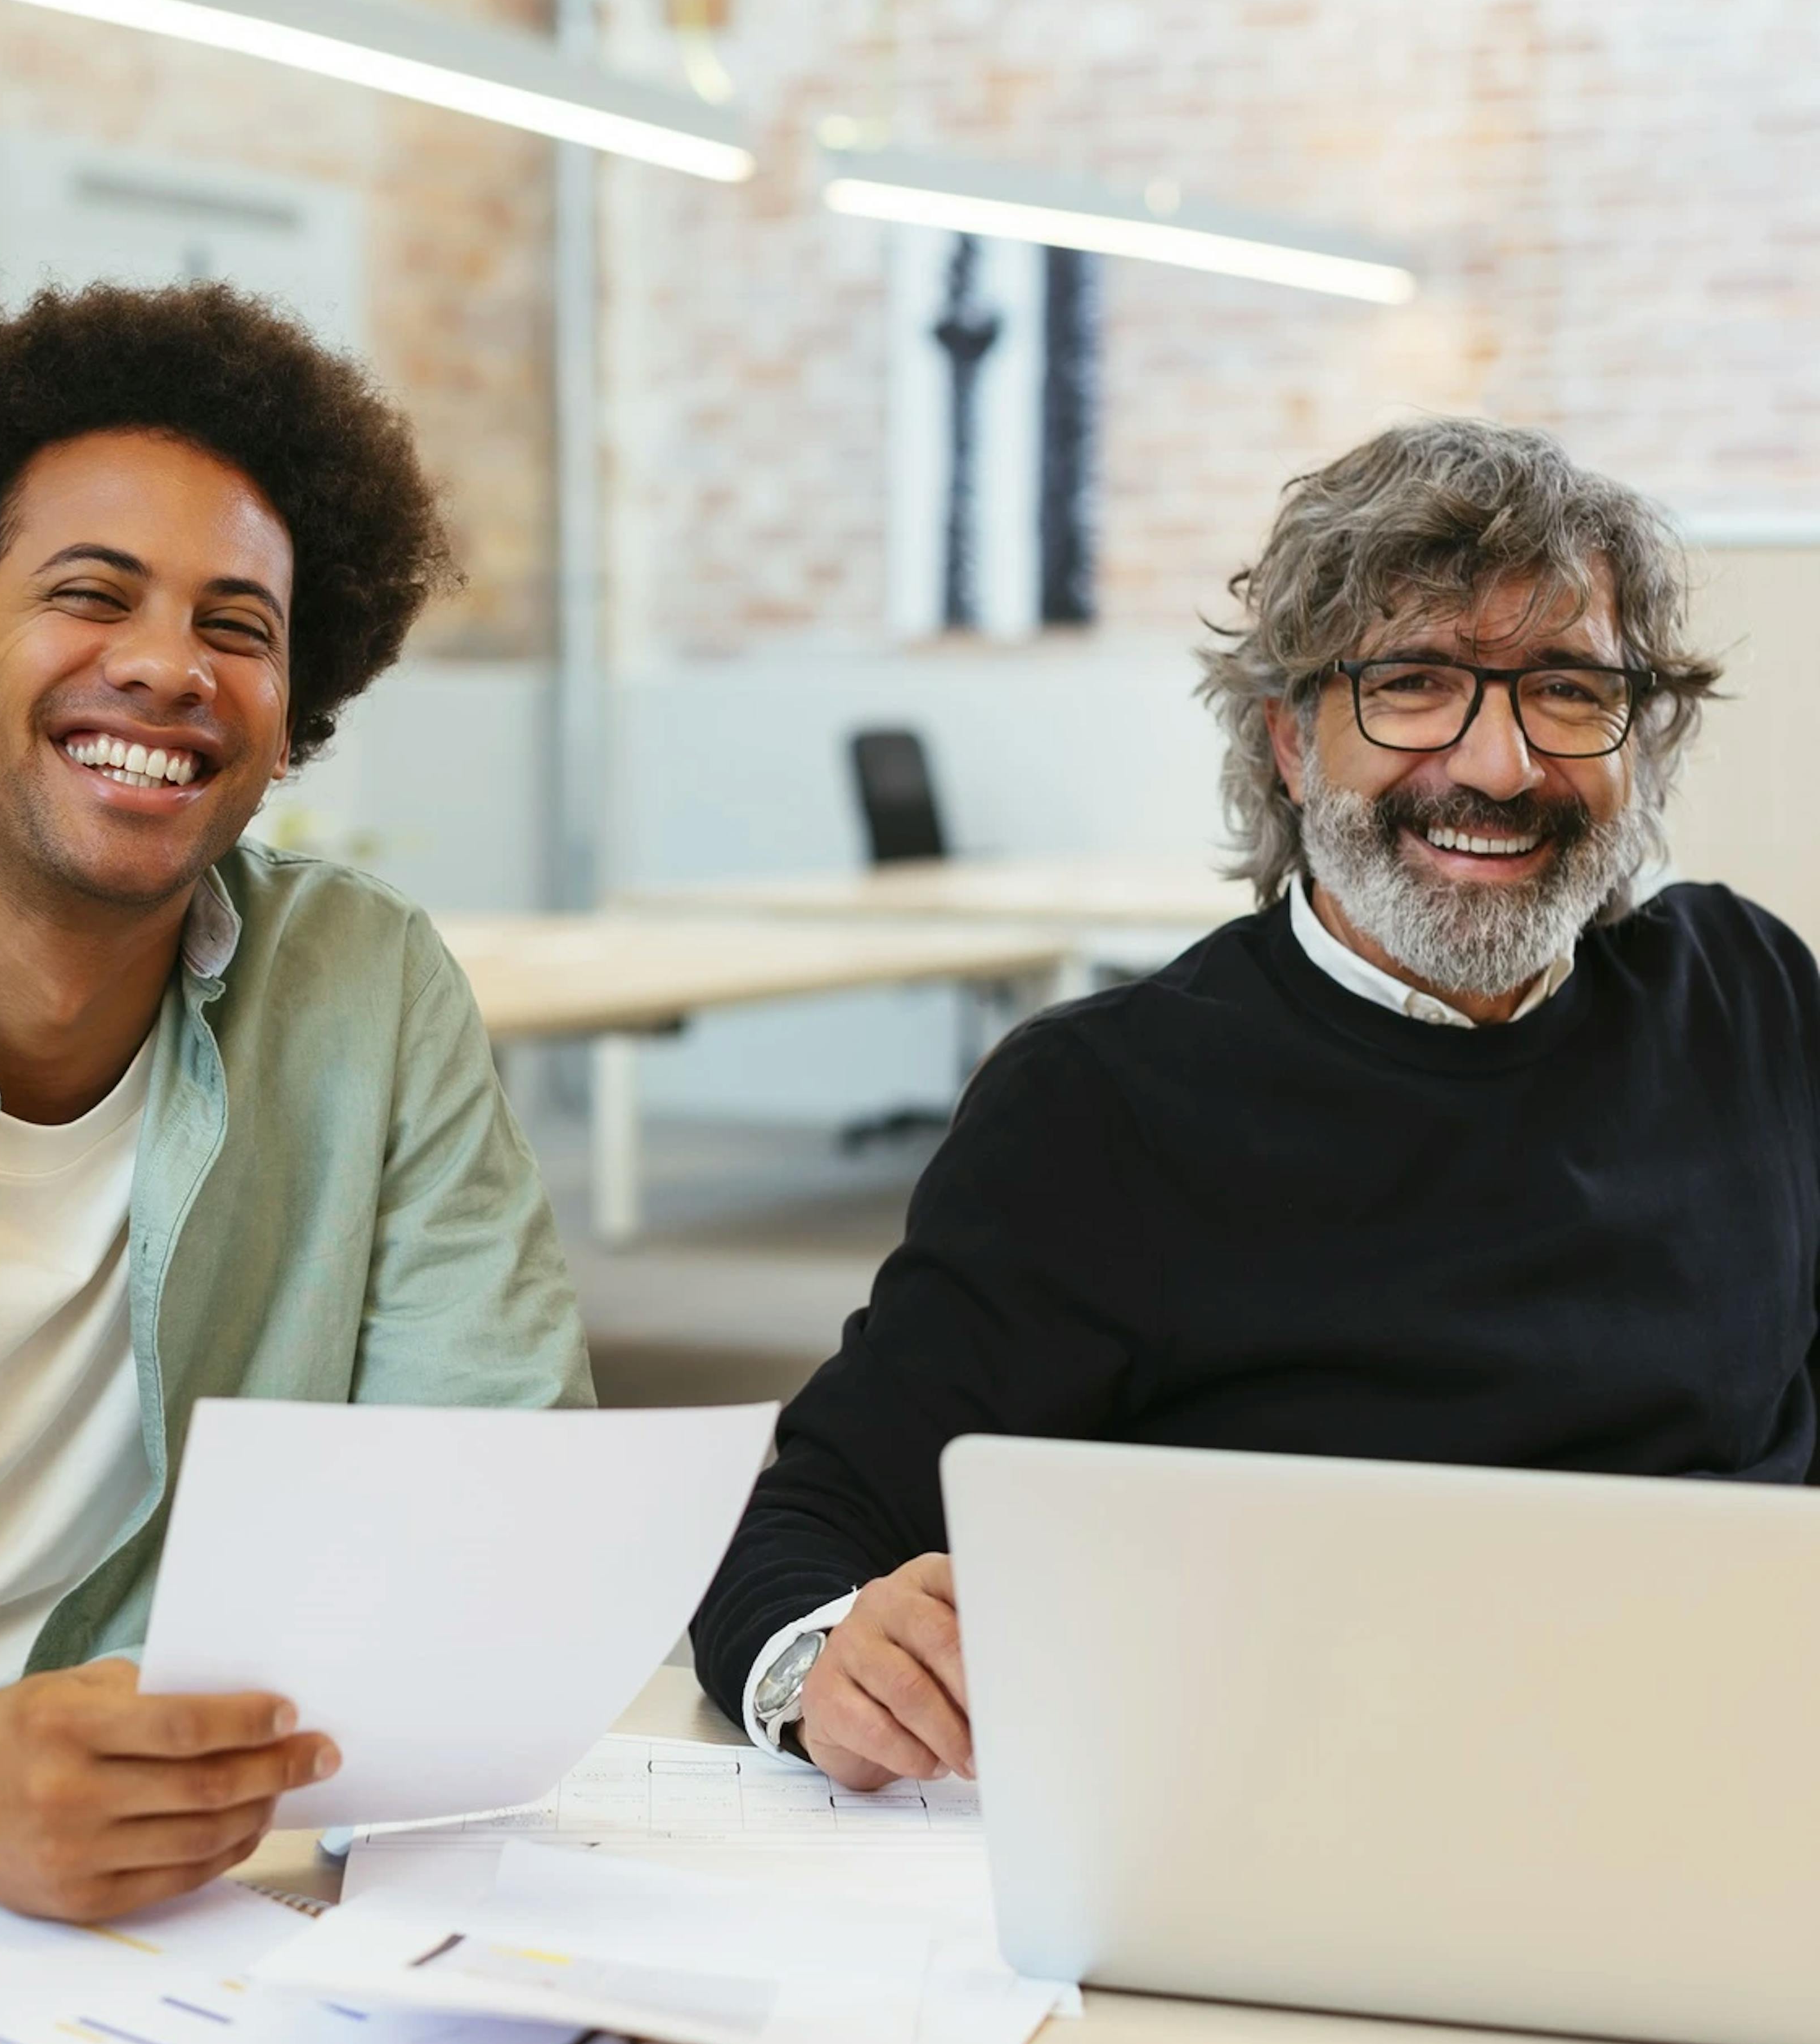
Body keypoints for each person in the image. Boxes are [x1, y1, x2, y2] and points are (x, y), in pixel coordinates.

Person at [693, 415, 1817, 1792]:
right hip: (1331, 1797)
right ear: (1290, 741)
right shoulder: (1102, 1107)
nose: (1502, 765)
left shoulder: (1746, 991)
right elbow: (803, 1528)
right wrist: (828, 1665)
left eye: (1570, 691)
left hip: (1743, 1758)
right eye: (1416, 683)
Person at [0, 283, 591, 1935]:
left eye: (239, 626)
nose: (170, 667)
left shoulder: (363, 993)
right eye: (94, 596)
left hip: (192, 1871)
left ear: (293, 713)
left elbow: (494, 1499)